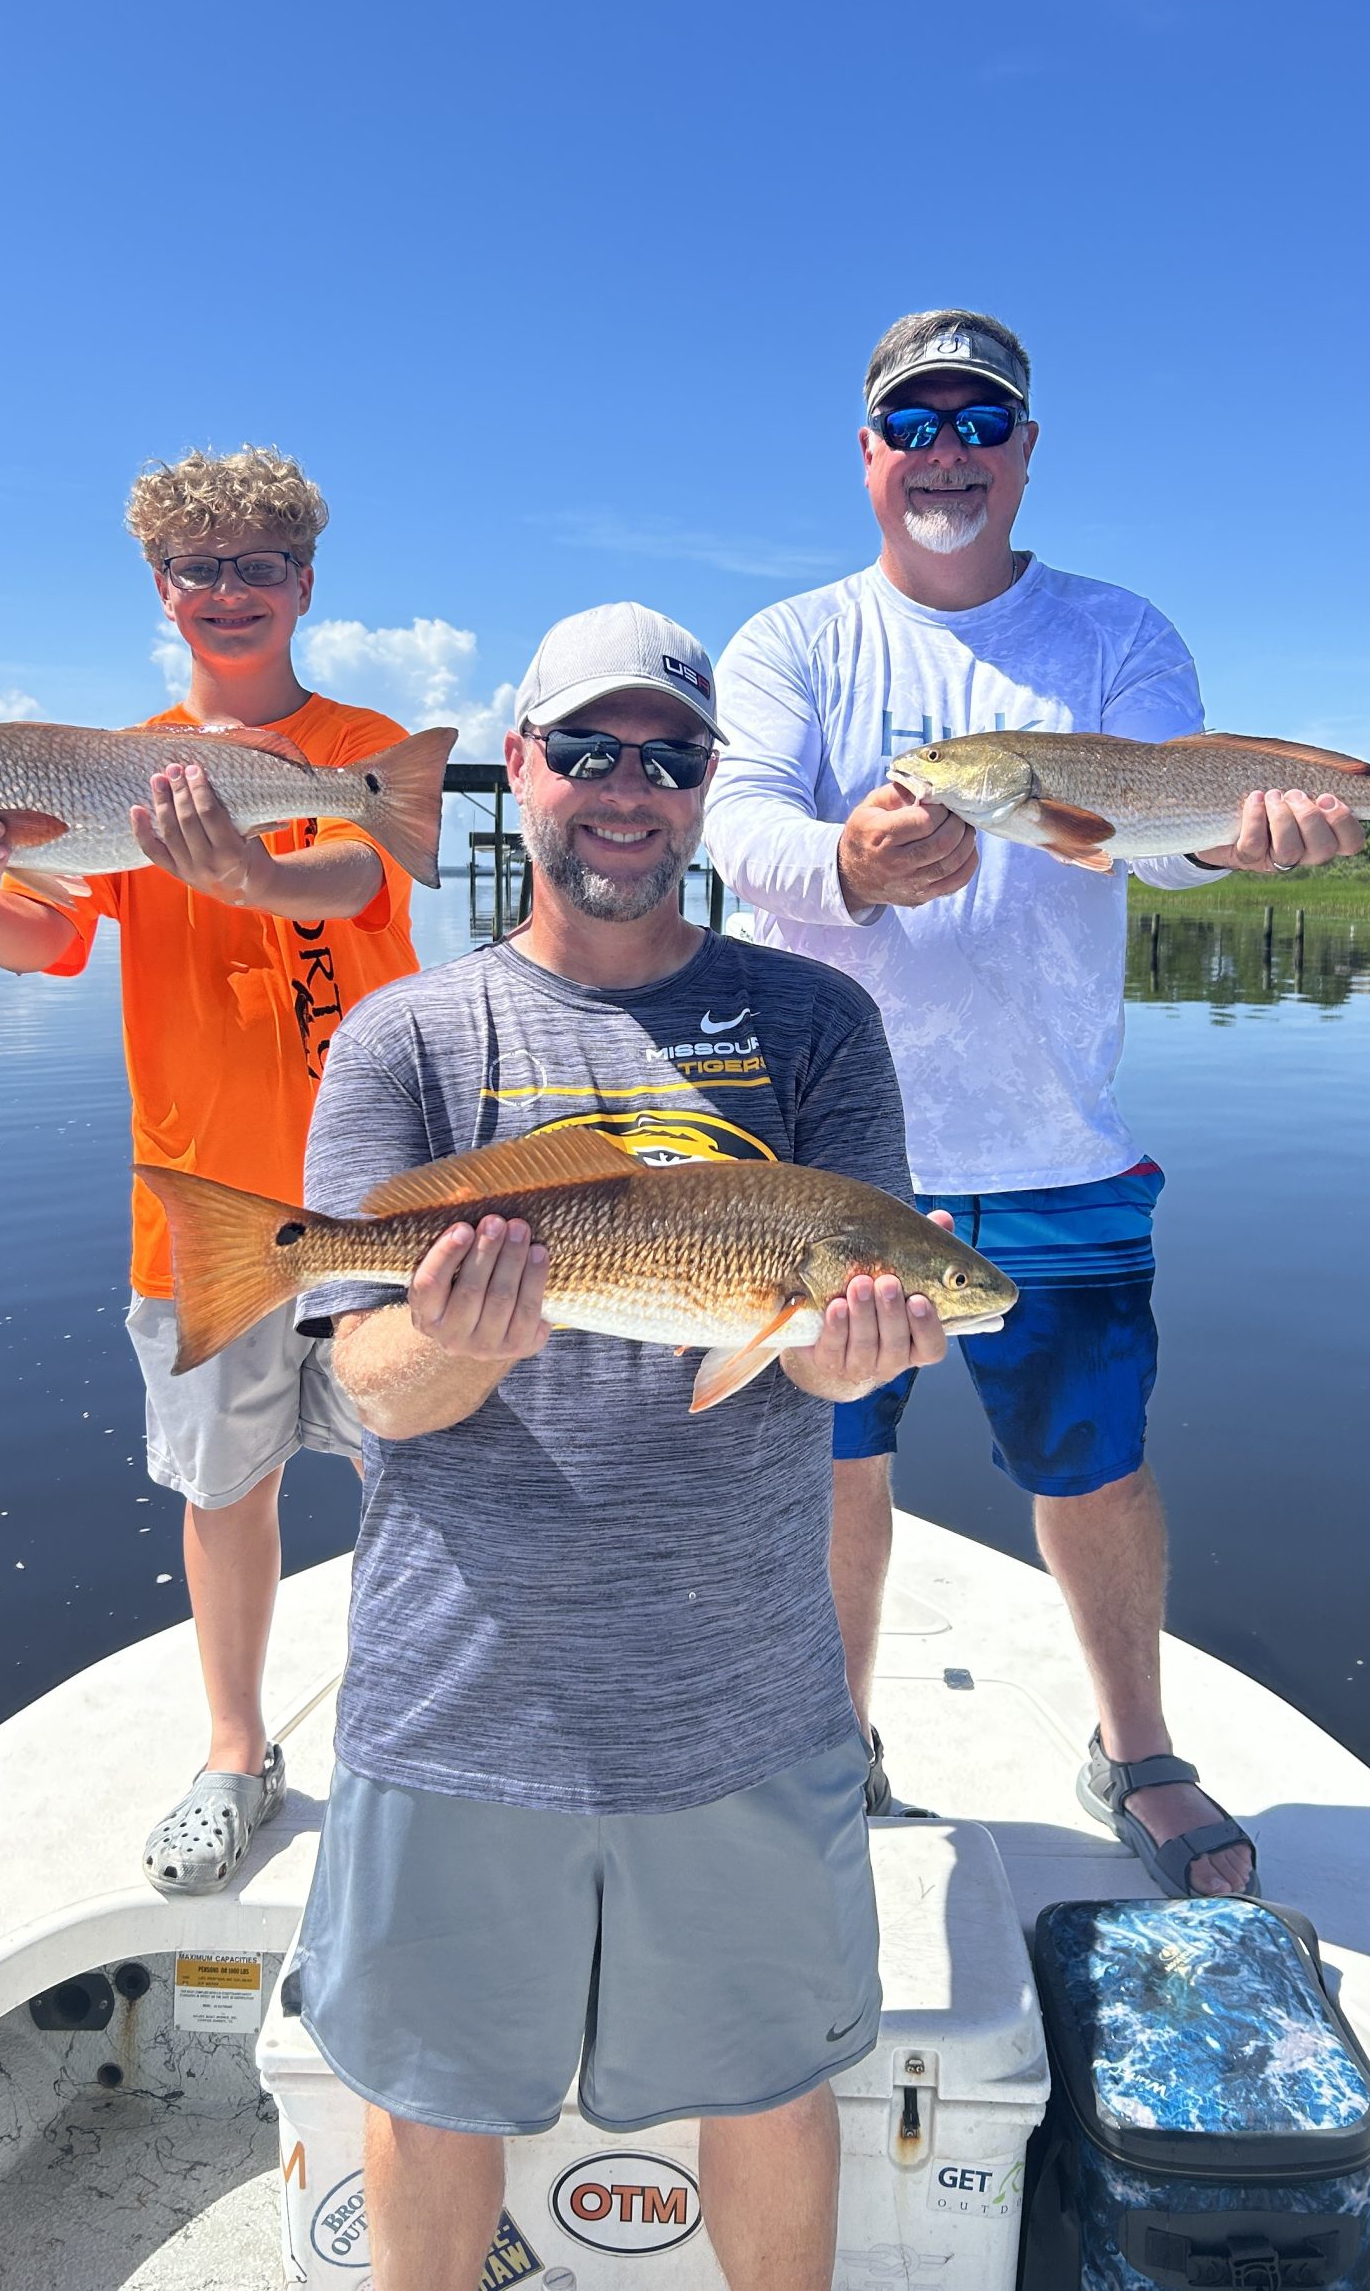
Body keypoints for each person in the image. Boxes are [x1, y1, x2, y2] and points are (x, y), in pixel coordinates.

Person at [291, 603, 954, 2291]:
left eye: (666, 757)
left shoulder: (816, 1029)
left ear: (706, 784)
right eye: (586, 750)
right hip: (457, 1698)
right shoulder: (409, 1040)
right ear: (519, 771)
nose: (626, 789)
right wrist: (450, 1336)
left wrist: (859, 1345)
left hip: (743, 1694)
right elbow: (367, 1382)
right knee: (430, 2105)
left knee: (774, 2090)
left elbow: (806, 1375)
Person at [703, 310, 1365, 1899]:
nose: (945, 452)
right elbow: (734, 826)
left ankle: (1135, 1746)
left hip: (1056, 1139)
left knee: (1099, 1467)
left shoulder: (1119, 635)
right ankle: (830, 1739)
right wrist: (851, 864)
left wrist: (1234, 838)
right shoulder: (794, 643)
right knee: (826, 1469)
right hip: (830, 1157)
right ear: (867, 454)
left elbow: (1154, 822)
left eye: (977, 422)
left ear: (1025, 449)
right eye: (911, 424)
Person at [0, 446, 432, 1893]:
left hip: (377, 1198)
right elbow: (48, 937)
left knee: (432, 1475)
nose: (227, 591)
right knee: (223, 1488)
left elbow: (370, 880)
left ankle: (421, 1745)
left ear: (305, 584)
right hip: (199, 1206)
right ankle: (232, 1750)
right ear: (160, 588)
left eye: (257, 564)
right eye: (198, 568)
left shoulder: (361, 743)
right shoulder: (108, 768)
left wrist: (252, 874)